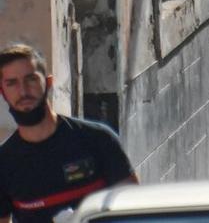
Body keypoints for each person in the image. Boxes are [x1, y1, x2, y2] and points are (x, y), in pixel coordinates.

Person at [0, 44, 135, 223]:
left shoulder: (97, 139)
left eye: (31, 79)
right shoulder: (5, 162)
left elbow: (133, 207)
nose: (23, 91)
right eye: (12, 83)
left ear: (48, 83)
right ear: (2, 92)